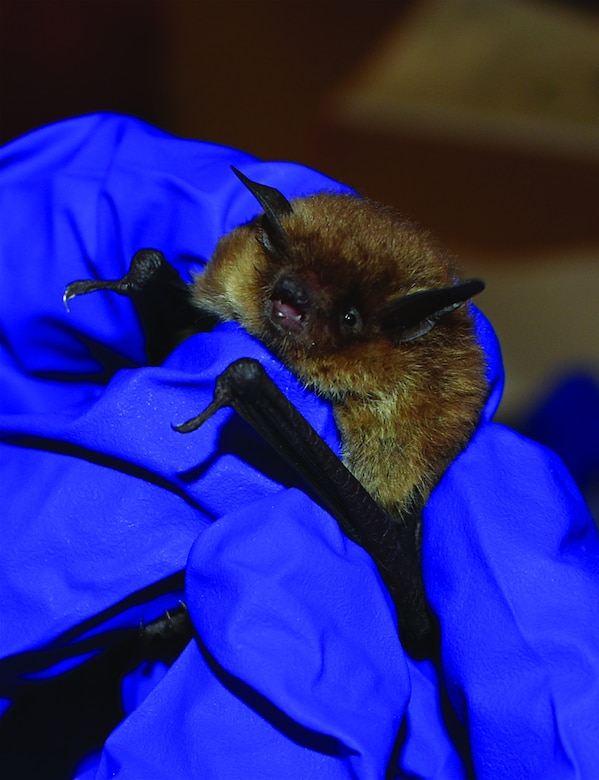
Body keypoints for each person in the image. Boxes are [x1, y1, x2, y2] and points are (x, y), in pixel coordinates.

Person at [1, 113, 598, 779]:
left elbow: (390, 504)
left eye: (339, 315)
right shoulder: (247, 278)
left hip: (351, 539)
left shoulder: (409, 397)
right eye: (292, 281)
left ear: (390, 331)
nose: (293, 305)